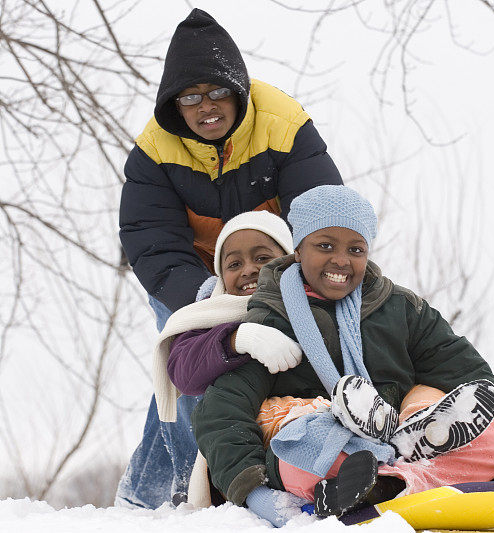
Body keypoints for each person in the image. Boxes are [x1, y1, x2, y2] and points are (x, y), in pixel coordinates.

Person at [191, 185, 494, 522]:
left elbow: (468, 372)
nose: (341, 260)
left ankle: (394, 482)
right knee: (300, 450)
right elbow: (222, 412)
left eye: (356, 250)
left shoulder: (402, 309)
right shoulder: (271, 317)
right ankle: (410, 476)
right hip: (329, 449)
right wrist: (256, 493)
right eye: (325, 245)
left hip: (404, 440)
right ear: (297, 250)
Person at [116, 8, 342, 509]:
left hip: (278, 269)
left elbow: (320, 212)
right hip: (194, 276)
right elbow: (150, 239)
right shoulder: (154, 151)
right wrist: (203, 299)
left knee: (300, 359)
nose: (206, 107)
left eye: (216, 92)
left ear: (238, 89)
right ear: (176, 106)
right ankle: (179, 495)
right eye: (191, 98)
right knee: (188, 370)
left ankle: (312, 464)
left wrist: (306, 280)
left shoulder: (284, 124)